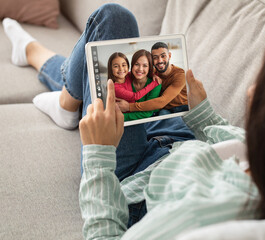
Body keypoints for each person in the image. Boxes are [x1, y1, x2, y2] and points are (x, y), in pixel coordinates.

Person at [77, 21, 265, 239]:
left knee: (112, 19)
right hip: (186, 139)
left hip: (142, 170)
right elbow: (240, 144)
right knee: (102, 73)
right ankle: (68, 93)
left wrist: (99, 154)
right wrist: (202, 112)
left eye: (264, 81)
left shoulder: (201, 217)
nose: (250, 92)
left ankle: (61, 87)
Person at [2, 3, 195, 227]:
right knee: (95, 72)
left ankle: (63, 99)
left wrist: (99, 159)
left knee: (112, 19)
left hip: (137, 175)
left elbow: (102, 231)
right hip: (181, 136)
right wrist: (202, 112)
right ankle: (31, 52)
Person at [117, 41, 189, 116]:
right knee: (160, 116)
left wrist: (129, 107)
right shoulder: (152, 73)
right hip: (165, 109)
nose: (160, 60)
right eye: (155, 57)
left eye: (163, 56)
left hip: (182, 107)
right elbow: (136, 72)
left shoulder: (180, 75)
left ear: (169, 56)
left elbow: (162, 101)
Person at [111, 50, 162, 121]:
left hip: (151, 119)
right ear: (132, 65)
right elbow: (121, 73)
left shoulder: (156, 84)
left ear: (149, 68)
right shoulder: (127, 77)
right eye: (137, 64)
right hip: (130, 119)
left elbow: (147, 113)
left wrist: (121, 117)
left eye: (145, 66)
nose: (140, 69)